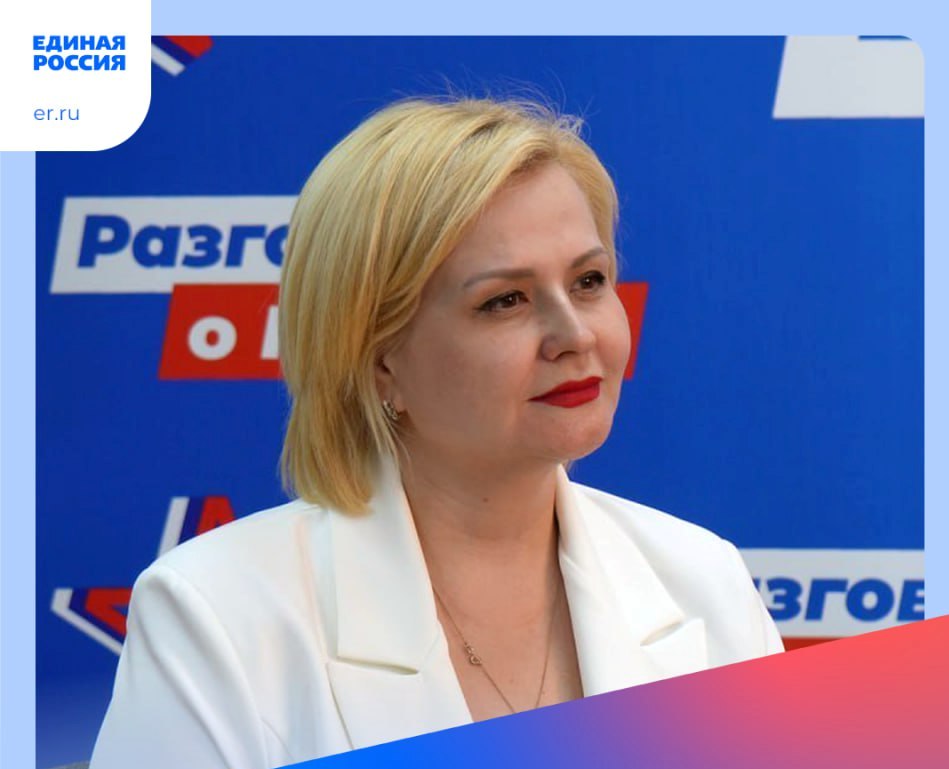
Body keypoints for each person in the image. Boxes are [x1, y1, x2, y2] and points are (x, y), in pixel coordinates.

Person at [89, 96, 783, 769]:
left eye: (589, 281)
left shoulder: (703, 580)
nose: (574, 335)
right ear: (378, 358)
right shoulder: (217, 614)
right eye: (504, 300)